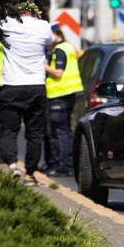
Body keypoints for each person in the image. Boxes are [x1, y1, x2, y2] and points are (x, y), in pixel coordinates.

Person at [0, 0, 54, 186]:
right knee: (35, 132)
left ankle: (13, 164)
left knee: (9, 129)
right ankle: (30, 173)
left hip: (12, 85)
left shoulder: (5, 23)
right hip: (36, 86)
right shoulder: (44, 26)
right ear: (33, 5)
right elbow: (49, 45)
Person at [43, 28, 83, 177]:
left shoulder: (59, 50)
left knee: (59, 131)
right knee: (66, 130)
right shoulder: (69, 47)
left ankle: (62, 166)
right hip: (69, 93)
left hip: (59, 94)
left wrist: (44, 66)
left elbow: (58, 72)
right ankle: (69, 164)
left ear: (56, 34)